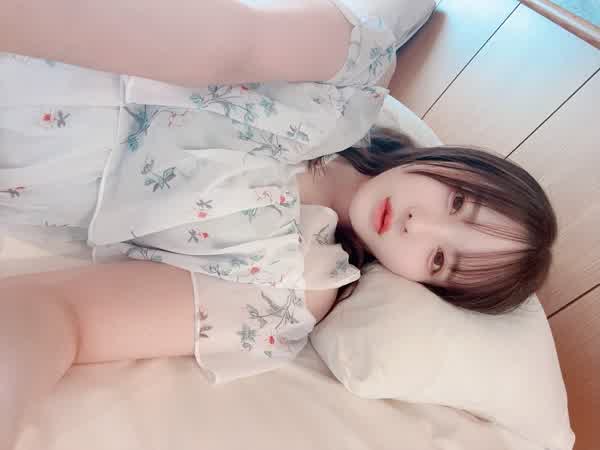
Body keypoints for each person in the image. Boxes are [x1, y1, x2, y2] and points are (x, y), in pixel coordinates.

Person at [0, 1, 556, 447]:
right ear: (457, 164)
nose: (418, 224)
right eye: (457, 202)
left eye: (438, 260)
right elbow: (226, 43)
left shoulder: (290, 288)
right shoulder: (348, 78)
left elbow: (64, 317)